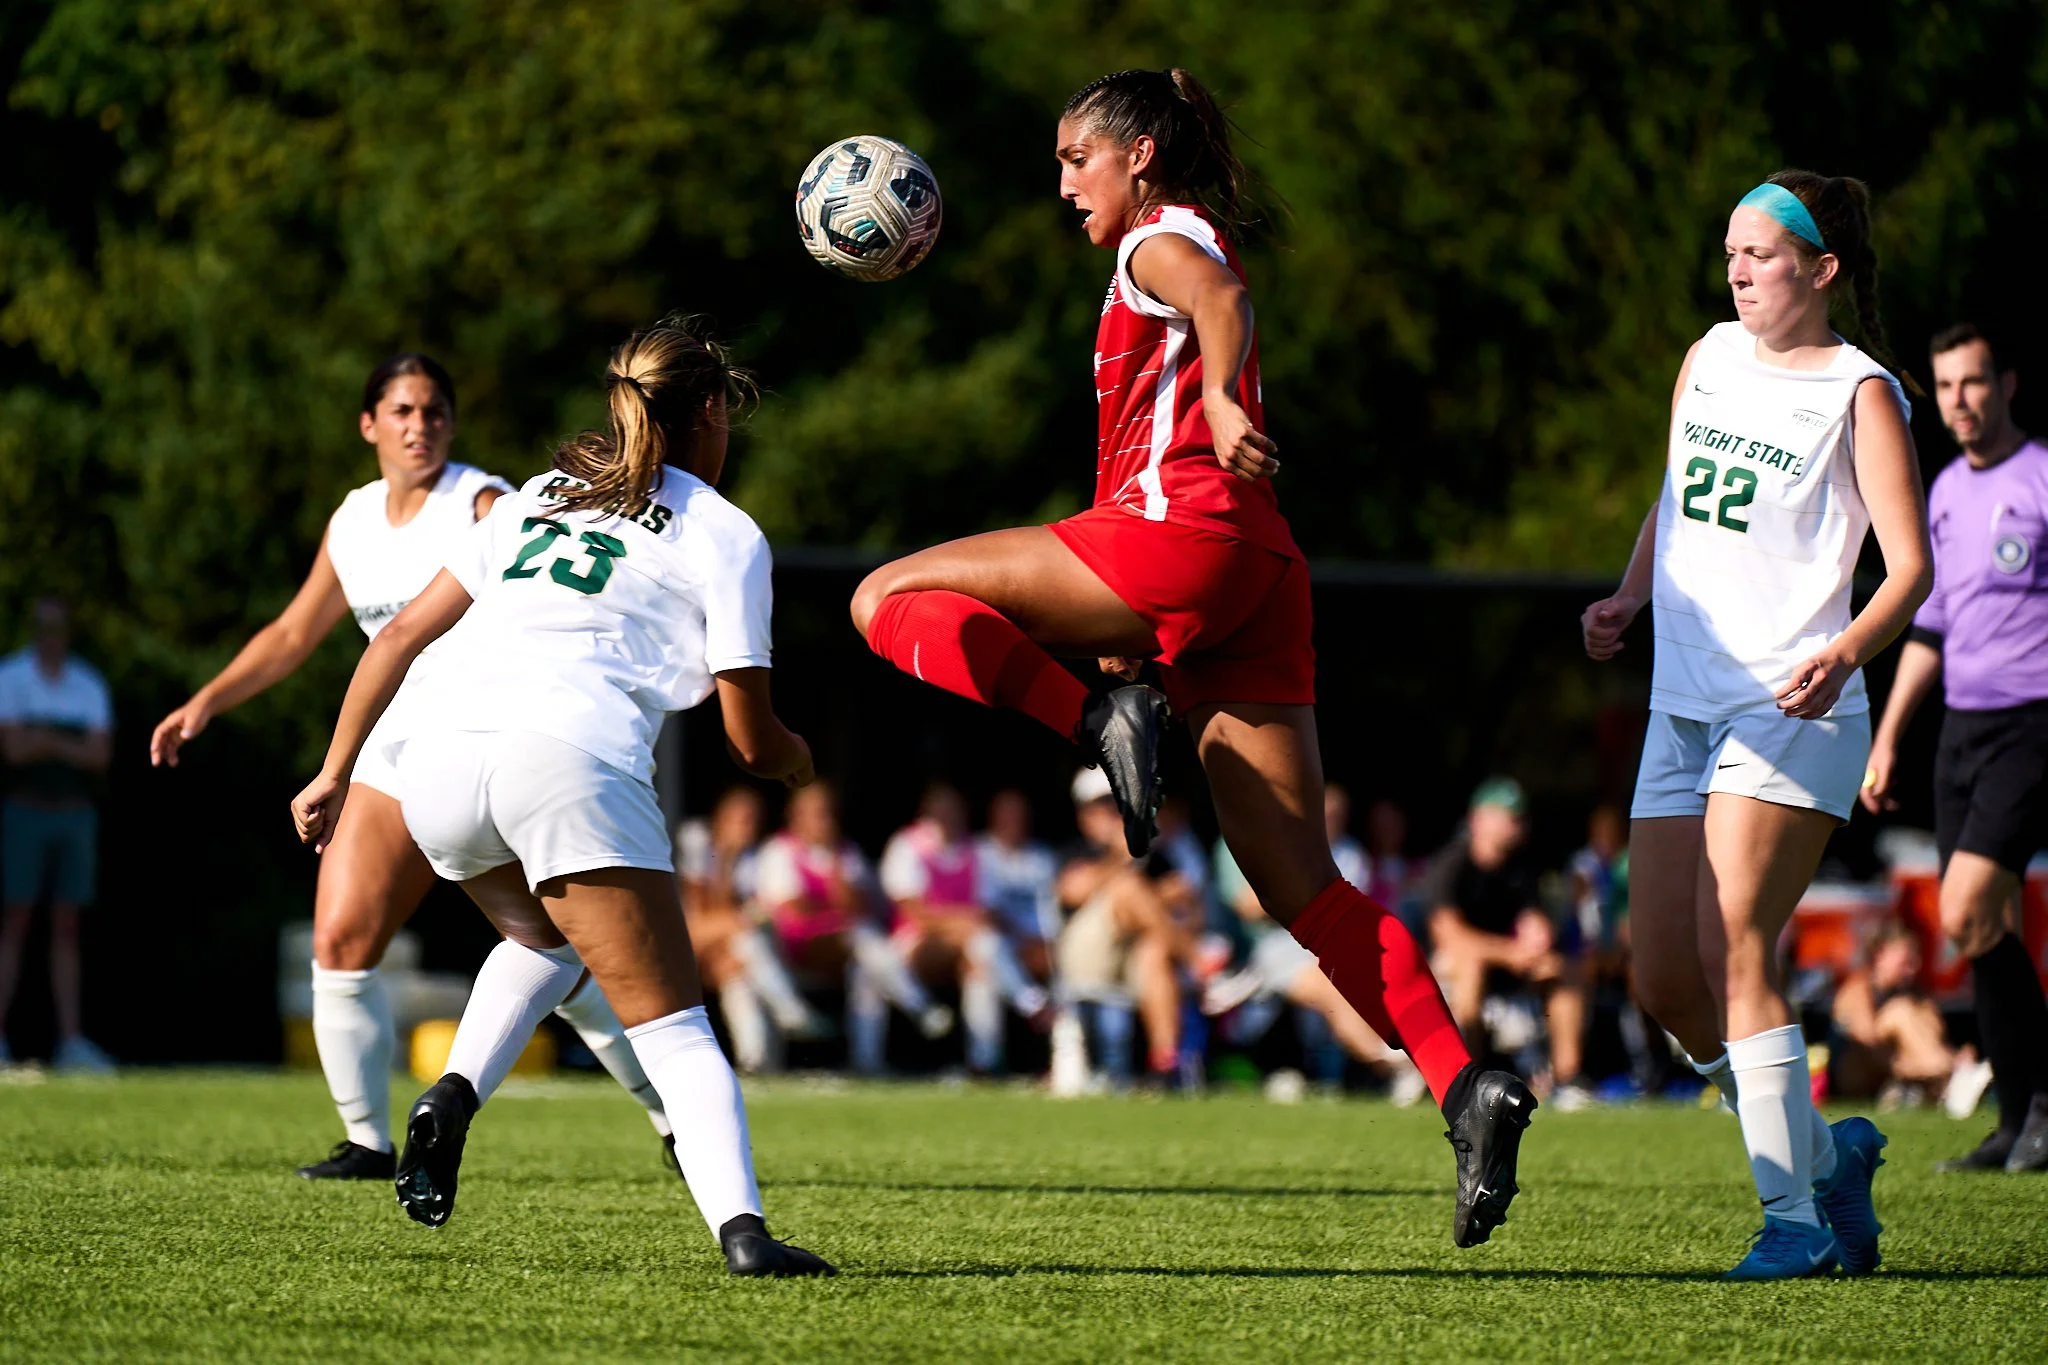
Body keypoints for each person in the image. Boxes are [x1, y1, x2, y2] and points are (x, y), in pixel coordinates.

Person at [847, 67, 1532, 1247]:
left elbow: (1220, 300)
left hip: (1183, 538)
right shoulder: (1174, 233)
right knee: (1298, 886)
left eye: (1077, 160)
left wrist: (1219, 394)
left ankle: (1088, 730)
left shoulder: (1155, 243)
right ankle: (1465, 1083)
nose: (1063, 184)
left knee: (881, 596)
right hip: (1254, 574)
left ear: (1139, 159)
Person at [289, 316, 832, 1275]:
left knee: (541, 938)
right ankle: (745, 1236)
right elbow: (751, 739)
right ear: (711, 410)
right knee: (677, 1027)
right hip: (569, 758)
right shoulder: (725, 531)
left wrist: (335, 769)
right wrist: (796, 761)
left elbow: (396, 637)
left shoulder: (538, 496)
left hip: (439, 765)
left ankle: (451, 1091)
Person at [149, 353, 667, 1180]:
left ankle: (667, 1110)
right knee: (341, 937)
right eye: (401, 410)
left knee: (560, 949)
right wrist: (206, 701)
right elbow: (291, 635)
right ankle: (365, 1140)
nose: (419, 425)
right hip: (394, 750)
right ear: (369, 425)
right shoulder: (353, 521)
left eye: (433, 411)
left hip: (489, 736)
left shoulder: (484, 501)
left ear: (452, 425)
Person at [1582, 171, 1932, 1278]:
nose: (1735, 269)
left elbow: (1909, 568)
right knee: (1664, 986)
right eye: (1728, 249)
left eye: (1761, 254)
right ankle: (1828, 1161)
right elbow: (1675, 494)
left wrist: (1840, 653)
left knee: (1732, 946)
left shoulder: (1858, 391)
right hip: (1678, 705)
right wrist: (1630, 595)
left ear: (1819, 270)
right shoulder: (1707, 356)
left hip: (1791, 706)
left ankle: (1791, 1225)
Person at [1861, 323, 2048, 1173]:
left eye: (1973, 382)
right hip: (1959, 735)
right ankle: (2018, 1122)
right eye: (1944, 388)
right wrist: (1889, 735)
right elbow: (1927, 626)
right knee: (1981, 928)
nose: (1960, 402)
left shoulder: (2041, 475)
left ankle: (2040, 1101)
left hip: (2031, 725)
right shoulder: (1940, 491)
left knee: (1966, 907)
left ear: (2005, 383)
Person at [755, 780, 953, 1073]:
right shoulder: (779, 850)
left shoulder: (846, 853)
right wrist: (837, 909)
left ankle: (866, 1062)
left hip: (843, 947)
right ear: (796, 816)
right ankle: (919, 1005)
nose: (826, 821)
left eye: (829, 813)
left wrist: (834, 864)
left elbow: (861, 907)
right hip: (796, 949)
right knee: (860, 936)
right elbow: (795, 910)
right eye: (818, 813)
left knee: (867, 968)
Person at [1419, 779, 1592, 1110]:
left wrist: (1537, 934)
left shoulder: (1522, 866)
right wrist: (1509, 952)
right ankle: (1463, 1079)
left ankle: (1569, 1079)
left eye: (1518, 817)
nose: (1516, 823)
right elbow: (1449, 935)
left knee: (1564, 970)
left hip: (1507, 970)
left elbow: (1533, 920)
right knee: (1470, 965)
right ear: (1478, 819)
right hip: (1450, 971)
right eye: (1507, 815)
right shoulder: (1452, 864)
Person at [0, 598, 114, 1070]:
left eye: (58, 627)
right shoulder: (11, 676)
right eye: (43, 626)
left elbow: (100, 755)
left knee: (67, 925)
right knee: (15, 920)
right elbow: (13, 750)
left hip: (74, 815)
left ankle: (70, 1041)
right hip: (25, 813)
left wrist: (44, 739)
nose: (51, 635)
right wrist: (69, 745)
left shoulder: (87, 683)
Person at [880, 783, 1050, 1075]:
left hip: (966, 945)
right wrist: (965, 920)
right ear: (926, 816)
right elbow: (916, 913)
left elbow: (989, 912)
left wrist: (973, 923)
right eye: (940, 814)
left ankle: (983, 1063)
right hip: (916, 945)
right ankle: (1028, 1001)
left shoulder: (976, 851)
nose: (948, 819)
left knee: (980, 966)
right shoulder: (906, 846)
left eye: (954, 813)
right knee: (981, 941)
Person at [1053, 768, 1200, 1087]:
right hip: (1085, 957)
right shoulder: (1074, 851)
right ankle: (1202, 964)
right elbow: (1072, 890)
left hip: (1134, 957)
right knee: (1129, 889)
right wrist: (1123, 860)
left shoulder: (1154, 854)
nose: (1113, 814)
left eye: (1118, 805)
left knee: (1156, 950)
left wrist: (1166, 894)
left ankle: (1165, 1063)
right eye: (1103, 807)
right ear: (1084, 815)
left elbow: (1189, 905)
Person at [675, 785, 829, 1073]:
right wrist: (726, 855)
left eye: (753, 820)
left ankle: (756, 1060)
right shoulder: (698, 840)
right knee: (742, 930)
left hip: (723, 949)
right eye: (741, 818)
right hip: (685, 940)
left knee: (737, 971)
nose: (748, 827)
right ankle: (789, 1009)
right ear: (721, 818)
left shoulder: (755, 857)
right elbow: (700, 906)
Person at [1829, 921, 1991, 1112]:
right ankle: (1956, 1076)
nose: (1913, 968)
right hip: (1858, 1072)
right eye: (1906, 961)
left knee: (1916, 1011)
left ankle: (1953, 1079)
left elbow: (1937, 1035)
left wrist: (1952, 1054)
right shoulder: (1857, 989)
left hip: (1899, 1070)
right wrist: (1929, 1064)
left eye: (1915, 960)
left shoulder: (1915, 994)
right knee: (1900, 1012)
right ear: (1880, 955)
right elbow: (1867, 1043)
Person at [975, 787, 1061, 984]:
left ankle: (1064, 1011)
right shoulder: (979, 852)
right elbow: (985, 911)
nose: (1014, 820)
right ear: (993, 817)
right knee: (987, 947)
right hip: (1006, 940)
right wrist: (1023, 940)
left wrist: (1047, 943)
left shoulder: (1043, 855)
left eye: (1019, 815)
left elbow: (1052, 907)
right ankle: (1033, 1005)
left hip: (1045, 942)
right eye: (1007, 814)